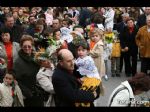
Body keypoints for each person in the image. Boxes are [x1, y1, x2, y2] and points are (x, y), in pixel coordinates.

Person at [13, 35, 43, 107]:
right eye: (24, 46)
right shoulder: (17, 62)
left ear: (32, 46)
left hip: (40, 92)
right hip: (29, 96)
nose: (27, 48)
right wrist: (28, 93)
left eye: (29, 46)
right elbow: (16, 80)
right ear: (21, 46)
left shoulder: (37, 57)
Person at [74, 39, 101, 107]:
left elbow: (83, 71)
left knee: (86, 91)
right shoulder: (80, 59)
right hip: (87, 77)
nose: (80, 52)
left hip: (92, 78)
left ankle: (86, 103)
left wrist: (74, 63)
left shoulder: (88, 59)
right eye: (79, 50)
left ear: (87, 51)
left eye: (83, 50)